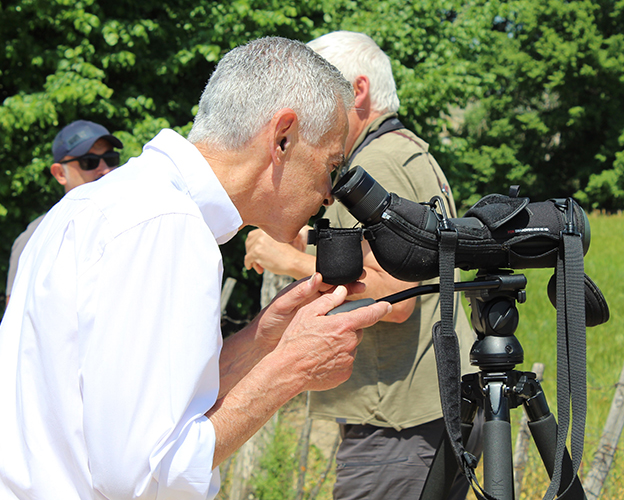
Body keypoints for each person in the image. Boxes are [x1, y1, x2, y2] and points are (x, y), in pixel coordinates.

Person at [0, 37, 391, 499]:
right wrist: (291, 368)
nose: (329, 194)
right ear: (282, 138)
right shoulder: (167, 225)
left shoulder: (102, 203)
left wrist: (262, 340)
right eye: (332, 165)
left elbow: (137, 406)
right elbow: (146, 474)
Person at [244, 31, 481, 500]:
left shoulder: (374, 165)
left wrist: (287, 260)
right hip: (436, 404)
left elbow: (397, 295)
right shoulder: (408, 150)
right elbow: (389, 251)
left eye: (319, 93)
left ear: (358, 90)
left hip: (395, 420)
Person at [5, 120, 123, 306]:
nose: (105, 170)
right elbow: (17, 315)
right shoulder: (37, 234)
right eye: (89, 162)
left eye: (111, 159)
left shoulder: (131, 220)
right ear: (60, 173)